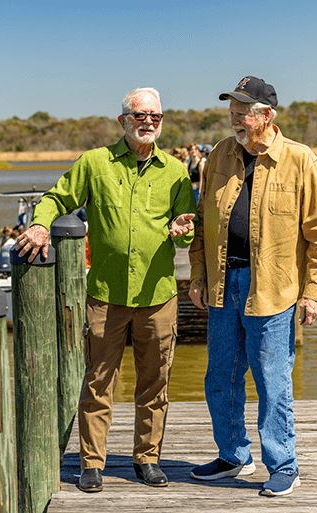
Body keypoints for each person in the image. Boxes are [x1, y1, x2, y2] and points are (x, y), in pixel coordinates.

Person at [15, 87, 196, 492]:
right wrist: (41, 224)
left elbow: (186, 229)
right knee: (98, 381)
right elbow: (57, 197)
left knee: (155, 382)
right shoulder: (95, 163)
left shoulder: (175, 171)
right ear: (123, 121)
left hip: (158, 296)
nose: (148, 122)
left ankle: (147, 459)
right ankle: (92, 464)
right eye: (139, 115)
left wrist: (184, 230)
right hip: (105, 296)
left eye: (155, 116)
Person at [187, 76, 317, 497]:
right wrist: (198, 275)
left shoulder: (301, 160)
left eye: (243, 112)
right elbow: (202, 222)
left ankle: (283, 464)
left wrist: (313, 292)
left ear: (266, 115)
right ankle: (234, 455)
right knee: (220, 378)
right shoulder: (219, 154)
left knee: (273, 380)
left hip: (273, 288)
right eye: (232, 111)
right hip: (222, 283)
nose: (234, 118)